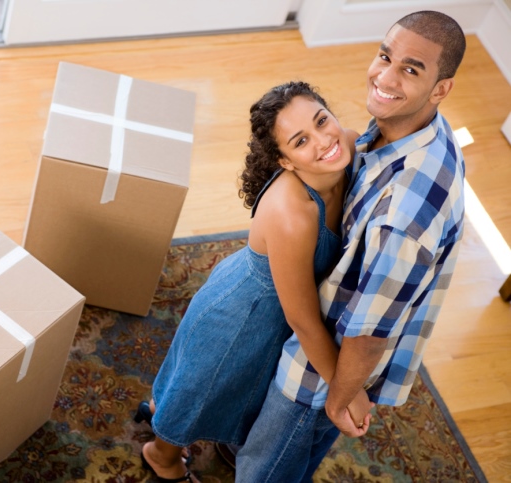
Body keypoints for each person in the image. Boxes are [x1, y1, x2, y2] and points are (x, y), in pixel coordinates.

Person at [234, 10, 467, 482]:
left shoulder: (402, 218)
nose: (384, 76)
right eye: (385, 56)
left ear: (441, 88)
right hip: (334, 340)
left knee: (263, 468)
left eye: (411, 69)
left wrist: (341, 395)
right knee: (293, 458)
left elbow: (369, 332)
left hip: (321, 371)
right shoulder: (413, 127)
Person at [134, 81, 372, 483]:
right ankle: (161, 455)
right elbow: (304, 322)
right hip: (243, 314)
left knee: (233, 391)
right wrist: (346, 390)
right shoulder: (291, 214)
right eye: (301, 141)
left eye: (321, 120)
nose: (324, 141)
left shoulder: (346, 145)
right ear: (286, 161)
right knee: (202, 390)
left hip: (276, 309)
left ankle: (168, 414)